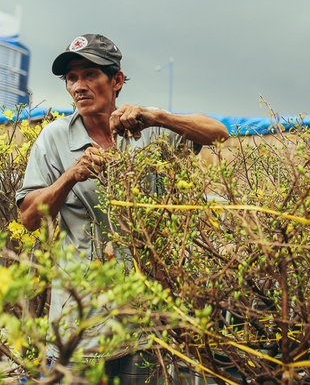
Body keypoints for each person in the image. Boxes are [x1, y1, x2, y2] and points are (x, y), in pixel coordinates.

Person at [15, 33, 229, 384]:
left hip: (147, 318)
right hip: (79, 320)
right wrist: (71, 175)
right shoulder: (54, 139)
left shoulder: (150, 131)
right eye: (71, 78)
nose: (79, 86)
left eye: (90, 75)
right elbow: (28, 219)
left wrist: (158, 116)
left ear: (116, 81)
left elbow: (218, 134)